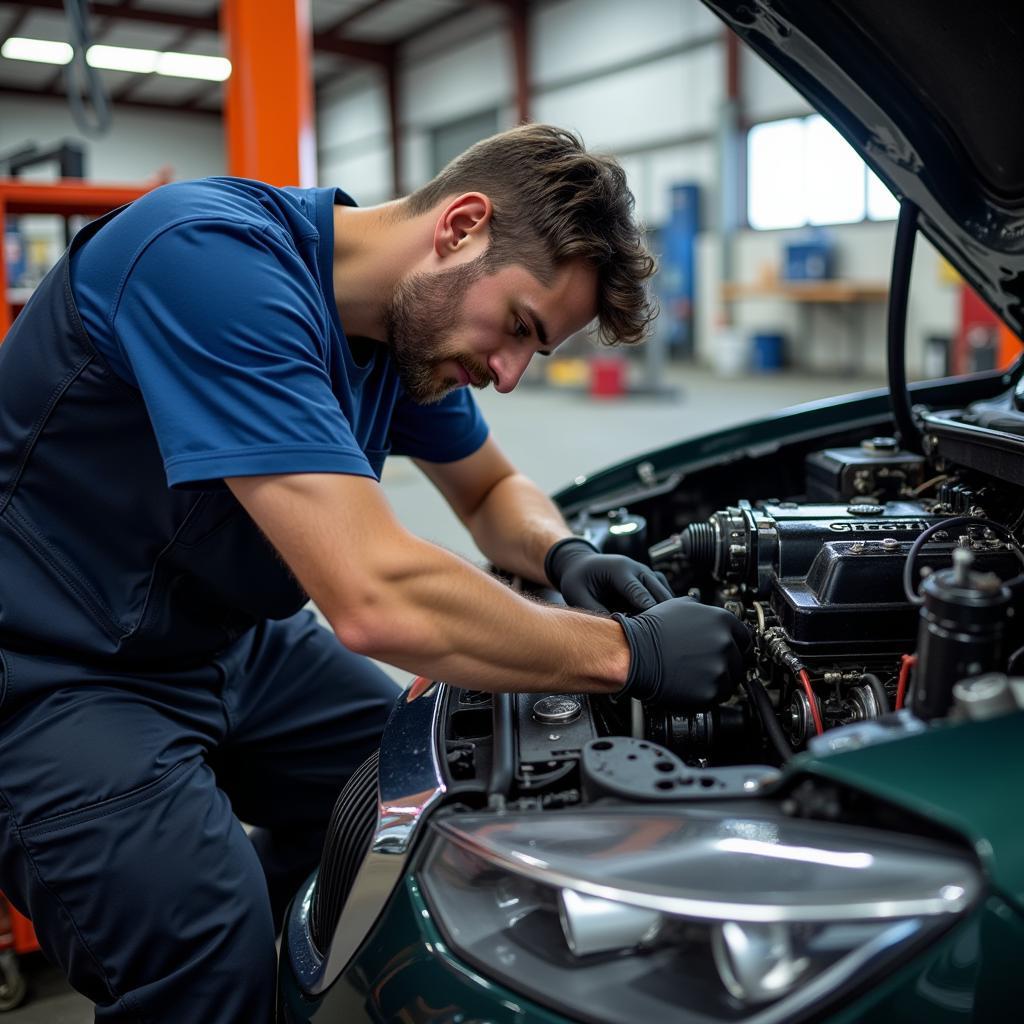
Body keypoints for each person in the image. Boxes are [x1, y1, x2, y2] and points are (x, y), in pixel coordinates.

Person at [0, 124, 748, 1022]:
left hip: (228, 636)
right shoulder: (207, 261)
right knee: (205, 944)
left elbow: (493, 490)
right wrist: (626, 653)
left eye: (531, 353)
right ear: (461, 226)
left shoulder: (401, 338)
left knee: (419, 795)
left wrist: (565, 555)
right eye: (517, 328)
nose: (507, 374)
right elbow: (371, 595)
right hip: (52, 666)